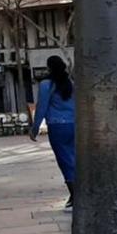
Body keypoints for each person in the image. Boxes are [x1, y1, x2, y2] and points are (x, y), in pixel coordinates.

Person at [29, 55, 76, 209]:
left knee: (64, 160)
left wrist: (35, 128)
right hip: (74, 124)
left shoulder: (46, 85)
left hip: (57, 126)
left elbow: (41, 108)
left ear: (49, 68)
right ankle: (77, 193)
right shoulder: (70, 84)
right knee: (74, 158)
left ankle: (75, 194)